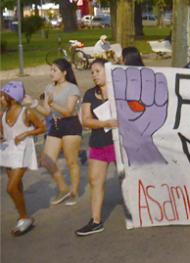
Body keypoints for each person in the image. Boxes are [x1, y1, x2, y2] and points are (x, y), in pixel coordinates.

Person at [28, 59, 83, 206]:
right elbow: (46, 112)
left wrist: (52, 104)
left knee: (71, 161)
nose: (51, 73)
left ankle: (74, 193)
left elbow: (69, 111)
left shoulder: (72, 88)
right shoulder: (49, 88)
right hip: (56, 125)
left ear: (64, 72)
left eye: (54, 70)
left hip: (71, 124)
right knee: (46, 160)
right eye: (50, 70)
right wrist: (33, 104)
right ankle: (63, 189)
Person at [75, 59, 118, 236]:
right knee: (95, 181)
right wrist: (105, 122)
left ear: (107, 71)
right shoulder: (89, 94)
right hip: (99, 144)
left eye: (97, 71)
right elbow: (86, 120)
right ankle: (95, 221)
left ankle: (143, 212)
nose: (94, 75)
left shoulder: (119, 91)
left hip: (118, 144)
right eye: (92, 72)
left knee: (130, 179)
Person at [1, 81, 46, 236]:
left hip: (23, 151)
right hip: (9, 152)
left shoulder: (26, 113)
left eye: (3, 96)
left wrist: (26, 133)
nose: (0, 99)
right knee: (17, 186)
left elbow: (42, 128)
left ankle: (24, 217)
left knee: (11, 187)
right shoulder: (3, 114)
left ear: (12, 98)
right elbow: (3, 134)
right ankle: (23, 216)